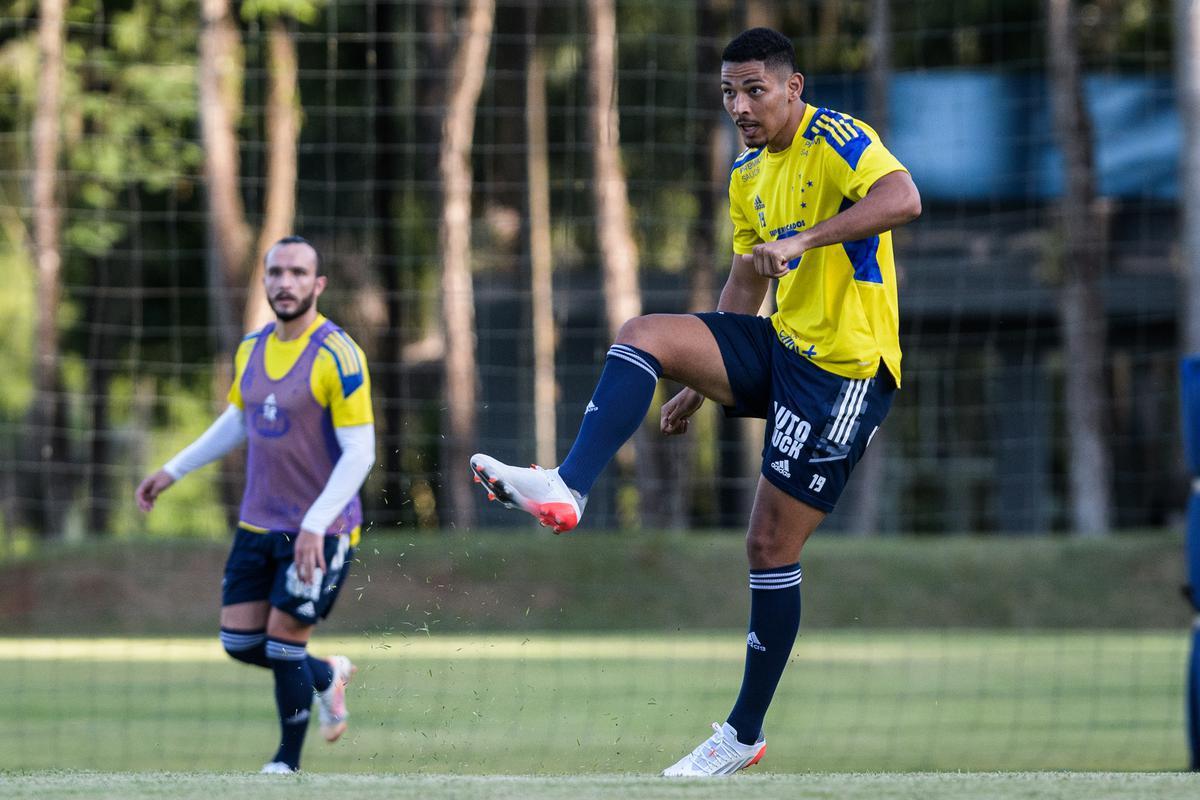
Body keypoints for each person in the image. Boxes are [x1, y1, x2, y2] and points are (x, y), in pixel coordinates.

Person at [469, 28, 920, 777]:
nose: (740, 106)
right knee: (643, 333)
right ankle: (567, 487)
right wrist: (697, 381)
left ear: (792, 87)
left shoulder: (837, 136)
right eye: (728, 93)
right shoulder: (747, 175)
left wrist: (808, 240)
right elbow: (746, 282)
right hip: (780, 346)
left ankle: (742, 735)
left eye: (753, 89)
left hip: (846, 373)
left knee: (770, 547)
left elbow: (903, 197)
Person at [136, 236, 376, 774]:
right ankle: (326, 676)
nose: (284, 282)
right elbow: (241, 420)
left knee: (285, 640)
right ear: (264, 280)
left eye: (297, 273)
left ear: (318, 285)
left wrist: (316, 523)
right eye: (275, 272)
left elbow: (362, 451)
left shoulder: (338, 352)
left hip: (323, 530)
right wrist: (173, 469)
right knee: (240, 642)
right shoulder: (251, 347)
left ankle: (284, 765)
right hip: (257, 523)